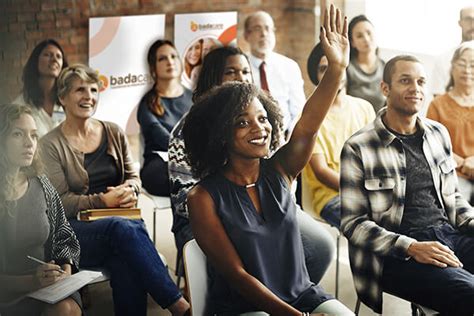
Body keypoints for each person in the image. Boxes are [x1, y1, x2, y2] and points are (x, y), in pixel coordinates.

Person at [183, 6, 354, 315]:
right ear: (222, 133)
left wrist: (336, 69)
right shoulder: (203, 197)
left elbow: (308, 125)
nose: (259, 128)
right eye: (243, 122)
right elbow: (237, 275)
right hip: (244, 306)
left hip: (301, 295)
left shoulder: (280, 169)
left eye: (263, 119)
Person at [169, 46, 335, 285]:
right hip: (211, 216)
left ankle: (290, 293)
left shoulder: (260, 121)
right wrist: (241, 216)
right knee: (249, 261)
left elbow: (278, 175)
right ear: (213, 78)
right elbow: (184, 199)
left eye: (246, 71)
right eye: (231, 72)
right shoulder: (187, 130)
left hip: (265, 207)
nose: (241, 78)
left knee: (320, 247)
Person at [40, 64, 190, 316]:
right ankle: (179, 305)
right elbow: (60, 204)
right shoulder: (50, 144)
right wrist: (103, 200)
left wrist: (130, 190)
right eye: (80, 90)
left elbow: (133, 177)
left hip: (120, 226)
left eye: (93, 90)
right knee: (123, 229)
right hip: (74, 234)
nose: (88, 96)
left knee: (125, 260)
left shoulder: (113, 131)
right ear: (62, 98)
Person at [340, 55, 474, 315]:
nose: (415, 88)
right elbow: (352, 224)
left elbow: (455, 200)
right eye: (405, 81)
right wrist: (411, 247)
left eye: (421, 81)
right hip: (397, 254)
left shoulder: (438, 134)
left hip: (448, 235)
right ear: (385, 88)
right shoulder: (359, 147)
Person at [0, 104, 81, 316]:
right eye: (18, 134)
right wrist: (31, 282)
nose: (29, 143)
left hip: (47, 287)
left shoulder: (41, 184)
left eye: (34, 136)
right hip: (8, 294)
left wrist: (65, 271)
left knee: (65, 308)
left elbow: (65, 237)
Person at [302, 42, 375, 227]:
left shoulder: (364, 107)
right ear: (315, 76)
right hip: (331, 197)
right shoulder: (310, 118)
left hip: (370, 190)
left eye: (336, 67)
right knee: (371, 228)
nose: (332, 74)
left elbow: (377, 155)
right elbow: (321, 171)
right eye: (324, 69)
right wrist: (361, 191)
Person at [137, 39, 192, 196]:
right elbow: (163, 139)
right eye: (162, 58)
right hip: (160, 166)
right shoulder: (147, 103)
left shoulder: (194, 98)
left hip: (193, 160)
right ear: (153, 68)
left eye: (173, 56)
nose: (170, 61)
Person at [243, 10, 306, 136]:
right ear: (246, 35)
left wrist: (291, 138)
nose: (264, 34)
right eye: (257, 29)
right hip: (251, 136)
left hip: (285, 138)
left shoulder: (289, 66)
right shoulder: (241, 66)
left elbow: (299, 111)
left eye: (268, 29)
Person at [427, 41, 474, 204]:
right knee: (460, 208)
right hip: (451, 173)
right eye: (462, 64)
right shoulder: (437, 104)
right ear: (452, 68)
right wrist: (463, 163)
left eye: (472, 65)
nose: (467, 71)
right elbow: (432, 145)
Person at [13, 39, 68, 137]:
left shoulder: (68, 101)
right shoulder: (20, 105)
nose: (54, 59)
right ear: (35, 61)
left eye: (58, 56)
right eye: (48, 55)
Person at [431, 5, 474, 97]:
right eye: (468, 19)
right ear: (460, 23)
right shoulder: (443, 59)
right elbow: (438, 102)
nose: (473, 24)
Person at [346, 15, 385, 113]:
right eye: (359, 36)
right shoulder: (347, 69)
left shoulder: (385, 67)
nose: (366, 39)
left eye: (369, 33)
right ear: (352, 43)